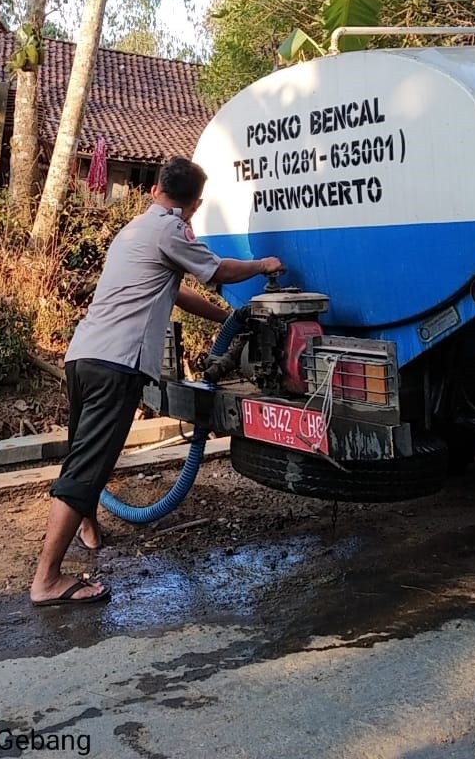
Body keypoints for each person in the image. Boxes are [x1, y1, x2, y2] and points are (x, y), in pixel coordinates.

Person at [29, 157, 284, 607]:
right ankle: (47, 580)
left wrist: (228, 318)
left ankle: (87, 527)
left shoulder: (135, 230)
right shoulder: (173, 230)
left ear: (154, 190)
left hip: (84, 356)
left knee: (82, 454)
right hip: (117, 364)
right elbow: (219, 270)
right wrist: (263, 264)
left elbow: (174, 292)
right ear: (196, 204)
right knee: (89, 466)